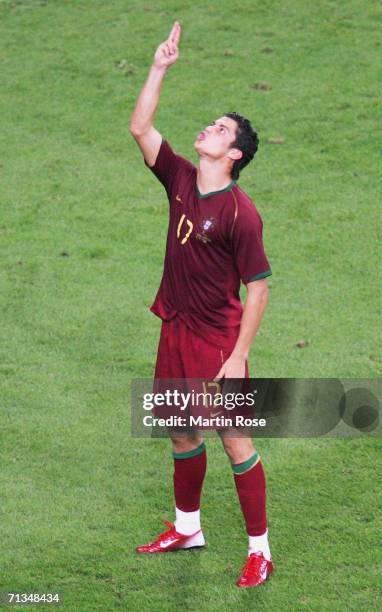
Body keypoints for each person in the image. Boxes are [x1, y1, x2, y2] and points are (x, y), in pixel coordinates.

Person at [130, 21, 273, 588]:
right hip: (176, 326)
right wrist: (160, 66)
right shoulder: (182, 180)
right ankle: (188, 527)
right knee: (180, 430)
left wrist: (239, 356)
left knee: (234, 438)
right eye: (212, 123)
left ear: (233, 154)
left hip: (218, 338)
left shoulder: (243, 214)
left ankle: (260, 550)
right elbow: (141, 126)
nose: (208, 129)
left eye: (220, 129)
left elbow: (259, 287)